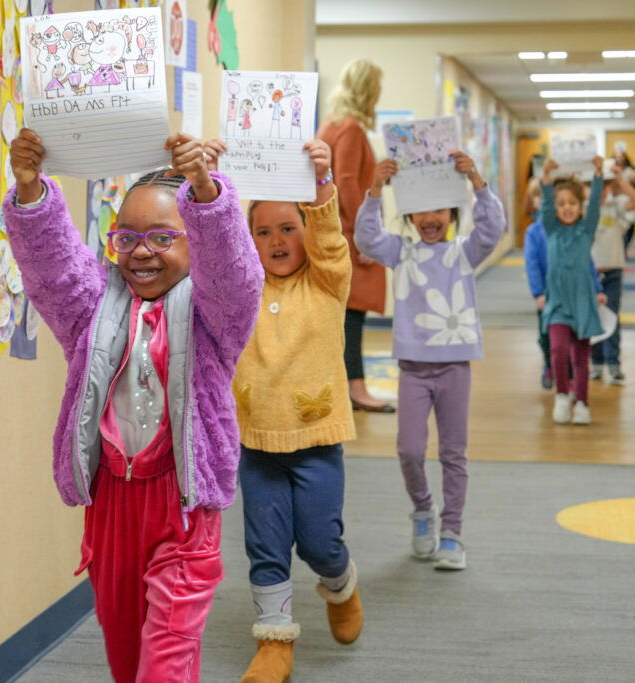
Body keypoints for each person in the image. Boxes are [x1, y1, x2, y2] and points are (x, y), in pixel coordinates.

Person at [3, 129, 262, 682]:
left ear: (194, 241)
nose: (142, 252)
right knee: (127, 661)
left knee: (163, 668)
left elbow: (234, 276)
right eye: (127, 238)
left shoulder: (214, 318)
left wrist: (205, 194)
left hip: (183, 506)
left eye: (163, 237)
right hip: (112, 506)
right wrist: (30, 191)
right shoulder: (93, 308)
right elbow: (54, 270)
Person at [212, 138, 362, 683]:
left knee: (321, 542)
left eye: (288, 228)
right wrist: (207, 183)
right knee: (266, 547)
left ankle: (341, 584)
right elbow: (218, 247)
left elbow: (330, 240)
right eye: (263, 231)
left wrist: (322, 184)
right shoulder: (241, 288)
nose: (276, 240)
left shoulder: (326, 282)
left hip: (317, 444)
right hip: (257, 446)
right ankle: (274, 640)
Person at [354, 151, 506, 571]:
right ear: (409, 217)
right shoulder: (401, 252)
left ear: (452, 212)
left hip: (455, 366)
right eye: (420, 211)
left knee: (454, 453)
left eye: (438, 209)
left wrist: (475, 178)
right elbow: (366, 239)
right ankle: (423, 511)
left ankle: (452, 532)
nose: (429, 218)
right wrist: (374, 192)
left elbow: (493, 228)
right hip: (413, 368)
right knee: (409, 449)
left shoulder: (464, 252)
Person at [318, 59, 393, 413]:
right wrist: (364, 234)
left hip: (338, 229)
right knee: (352, 315)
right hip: (348, 234)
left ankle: (349, 386)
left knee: (345, 316)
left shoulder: (332, 125)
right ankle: (357, 388)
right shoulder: (350, 128)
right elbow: (346, 180)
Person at [540, 157, 605, 426]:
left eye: (572, 203)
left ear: (580, 207)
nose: (567, 208)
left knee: (580, 357)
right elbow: (545, 204)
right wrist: (546, 176)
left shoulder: (585, 231)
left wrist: (599, 174)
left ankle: (582, 402)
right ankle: (562, 396)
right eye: (561, 204)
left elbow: (595, 210)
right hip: (557, 304)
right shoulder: (551, 230)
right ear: (555, 209)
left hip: (581, 303)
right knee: (557, 349)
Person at [523, 177, 605, 390]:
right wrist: (538, 293)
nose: (545, 202)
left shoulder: (576, 231)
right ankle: (549, 367)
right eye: (541, 197)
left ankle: (570, 379)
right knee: (548, 339)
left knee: (574, 343)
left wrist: (596, 288)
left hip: (576, 294)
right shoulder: (536, 231)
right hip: (550, 295)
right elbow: (532, 264)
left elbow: (586, 263)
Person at [591, 162, 635, 385]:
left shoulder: (616, 204)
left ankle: (614, 364)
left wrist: (619, 180)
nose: (601, 190)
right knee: (592, 317)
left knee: (612, 316)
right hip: (590, 272)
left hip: (613, 269)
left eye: (605, 185)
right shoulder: (585, 206)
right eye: (597, 185)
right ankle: (596, 364)